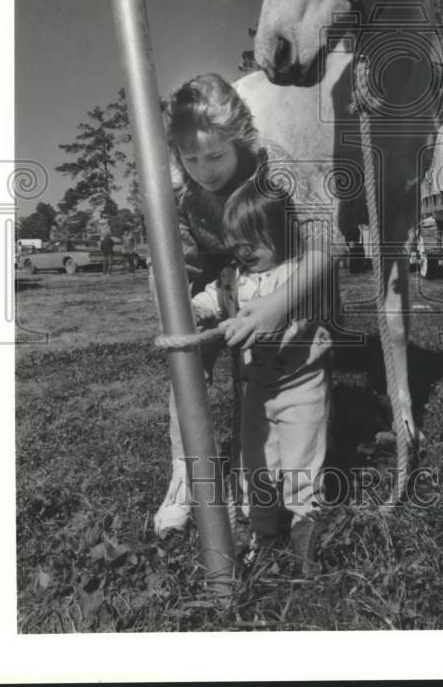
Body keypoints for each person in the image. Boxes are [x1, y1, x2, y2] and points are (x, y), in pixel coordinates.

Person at [149, 72, 333, 535]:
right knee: (186, 364)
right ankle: (188, 474)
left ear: (241, 139)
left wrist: (277, 303)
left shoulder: (274, 165)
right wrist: (182, 320)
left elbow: (326, 246)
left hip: (282, 274)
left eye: (216, 155)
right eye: (191, 158)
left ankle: (299, 473)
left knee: (291, 370)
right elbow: (171, 268)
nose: (204, 170)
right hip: (216, 274)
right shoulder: (179, 190)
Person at [160, 177, 331, 574]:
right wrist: (191, 310)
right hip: (257, 391)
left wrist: (272, 313)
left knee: (303, 464)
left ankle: (306, 534)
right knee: (256, 465)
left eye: (255, 240)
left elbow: (310, 299)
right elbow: (209, 301)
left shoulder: (299, 274)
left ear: (283, 232)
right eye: (237, 243)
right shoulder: (232, 279)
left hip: (303, 389)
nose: (245, 251)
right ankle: (264, 534)